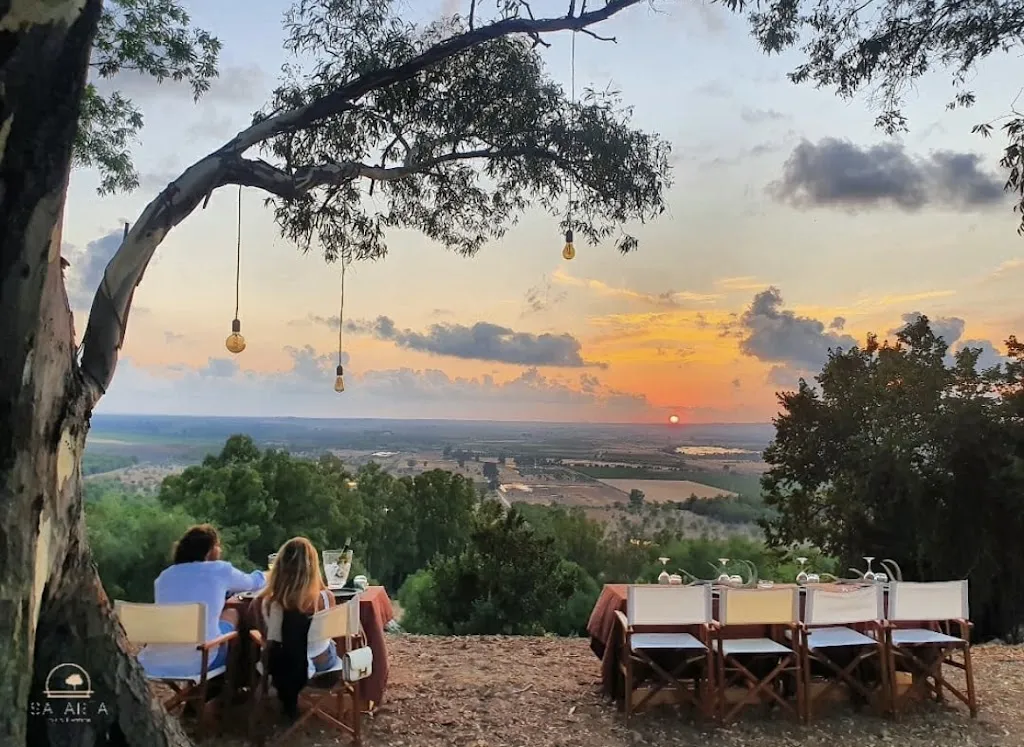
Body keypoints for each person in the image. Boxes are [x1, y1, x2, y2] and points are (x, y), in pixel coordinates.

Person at [138, 524, 266, 678]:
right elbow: (253, 582)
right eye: (218, 546)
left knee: (209, 623)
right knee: (232, 613)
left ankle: (203, 696)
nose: (220, 550)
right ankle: (232, 689)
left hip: (154, 661)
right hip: (201, 660)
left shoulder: (163, 577)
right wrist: (270, 573)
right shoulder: (219, 570)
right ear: (210, 550)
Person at [255, 537, 341, 717]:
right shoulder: (326, 598)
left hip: (281, 666)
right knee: (331, 642)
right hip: (321, 665)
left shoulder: (266, 602)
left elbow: (267, 639)